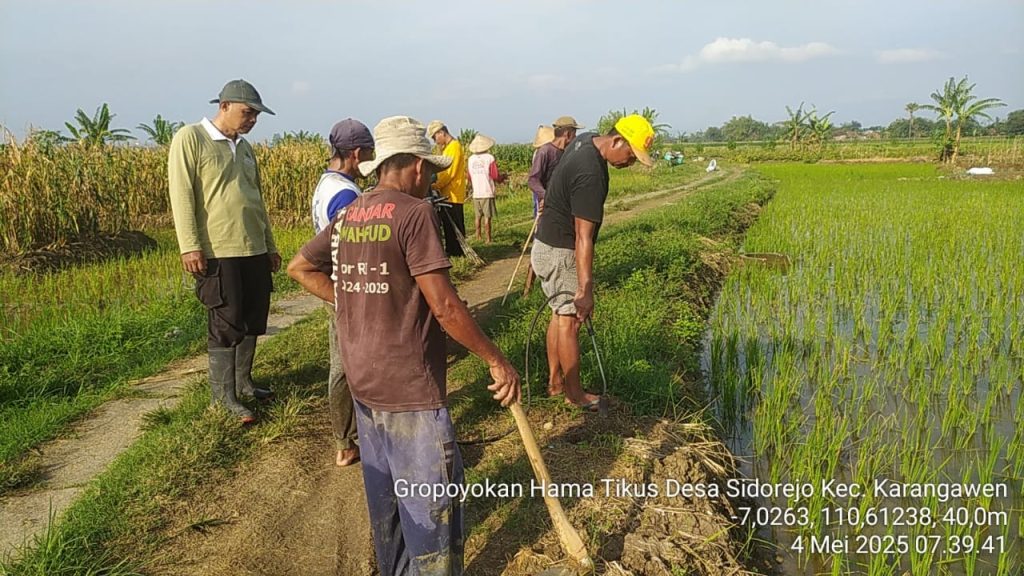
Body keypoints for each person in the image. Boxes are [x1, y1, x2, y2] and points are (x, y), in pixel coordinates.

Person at [287, 116, 521, 575]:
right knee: (432, 516)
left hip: (364, 384)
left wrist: (349, 300)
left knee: (388, 511)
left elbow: (300, 266)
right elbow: (446, 308)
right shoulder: (415, 214)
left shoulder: (350, 214)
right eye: (430, 171)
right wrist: (496, 360)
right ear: (416, 165)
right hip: (410, 390)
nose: (430, 179)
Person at [168, 79, 279, 425]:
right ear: (225, 106)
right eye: (248, 113)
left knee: (253, 316)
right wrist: (190, 246)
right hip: (219, 249)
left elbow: (256, 200)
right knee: (226, 321)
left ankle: (244, 383)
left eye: (256, 115)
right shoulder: (191, 138)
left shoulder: (245, 149)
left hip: (253, 248)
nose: (252, 120)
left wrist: (270, 245)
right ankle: (223, 399)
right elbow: (181, 195)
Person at [529, 114, 654, 412]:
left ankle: (555, 383)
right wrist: (586, 288)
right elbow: (583, 237)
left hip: (545, 244)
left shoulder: (586, 141)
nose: (630, 162)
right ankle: (575, 395)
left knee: (559, 315)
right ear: (617, 140)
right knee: (570, 321)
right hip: (561, 252)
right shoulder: (591, 174)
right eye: (631, 154)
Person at [310, 118, 375, 466]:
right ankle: (348, 441)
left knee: (344, 359)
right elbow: (355, 247)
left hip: (332, 282)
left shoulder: (326, 184)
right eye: (370, 154)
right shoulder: (346, 195)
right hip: (347, 287)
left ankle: (346, 437)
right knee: (349, 363)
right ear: (356, 154)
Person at [523, 116, 582, 294]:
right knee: (542, 243)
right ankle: (528, 288)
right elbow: (533, 180)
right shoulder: (545, 151)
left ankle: (567, 282)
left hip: (565, 207)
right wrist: (546, 196)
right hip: (547, 206)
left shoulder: (568, 153)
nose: (575, 137)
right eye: (574, 133)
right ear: (568, 133)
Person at [427, 121, 467, 257]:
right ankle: (451, 251)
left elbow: (449, 174)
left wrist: (435, 186)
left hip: (453, 194)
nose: (435, 141)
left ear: (441, 133)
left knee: (455, 226)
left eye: (435, 137)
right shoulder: (447, 149)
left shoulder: (454, 147)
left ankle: (458, 252)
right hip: (446, 194)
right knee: (448, 226)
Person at [466, 134, 505, 244]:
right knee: (487, 217)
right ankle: (488, 239)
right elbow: (495, 175)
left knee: (477, 216)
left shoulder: (471, 159)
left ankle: (478, 236)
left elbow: (469, 177)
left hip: (476, 193)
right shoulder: (489, 158)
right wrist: (502, 178)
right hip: (487, 191)